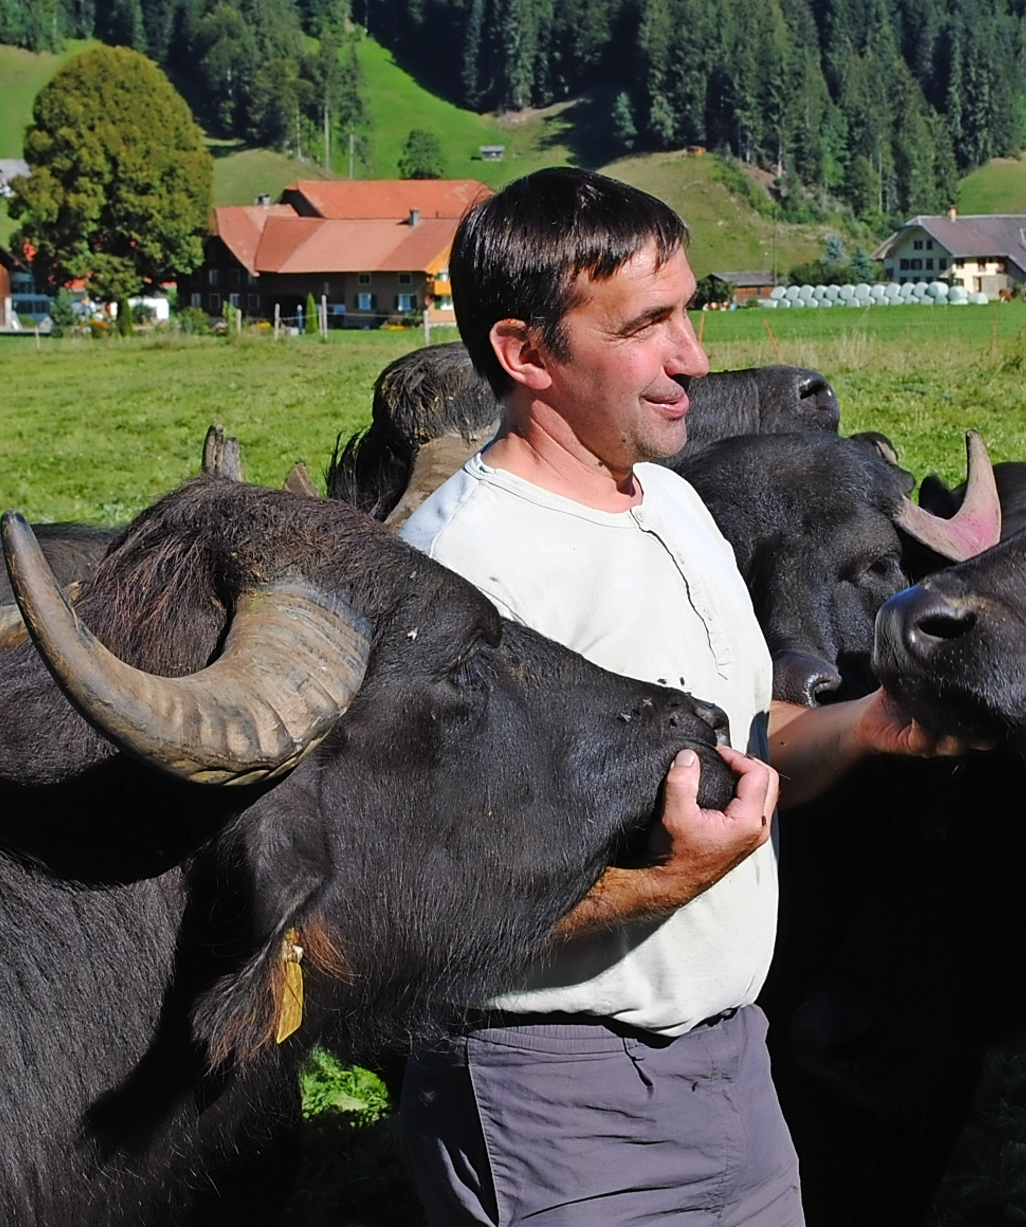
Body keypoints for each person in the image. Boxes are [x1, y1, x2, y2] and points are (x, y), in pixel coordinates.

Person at [396, 167, 967, 1226]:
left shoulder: (672, 505)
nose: (694, 359)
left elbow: (743, 754)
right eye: (646, 325)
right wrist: (661, 888)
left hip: (732, 1072)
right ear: (525, 354)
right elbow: (420, 916)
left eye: (688, 312)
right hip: (558, 1105)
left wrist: (875, 725)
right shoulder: (460, 581)